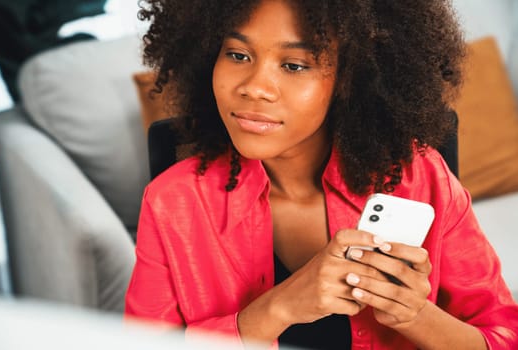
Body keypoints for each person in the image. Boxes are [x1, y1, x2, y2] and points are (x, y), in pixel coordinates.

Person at [125, 0, 518, 348]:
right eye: (238, 55)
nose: (254, 88)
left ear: (351, 79)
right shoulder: (171, 202)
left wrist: (414, 315)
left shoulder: (422, 177)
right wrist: (277, 309)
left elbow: (503, 336)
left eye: (294, 65)